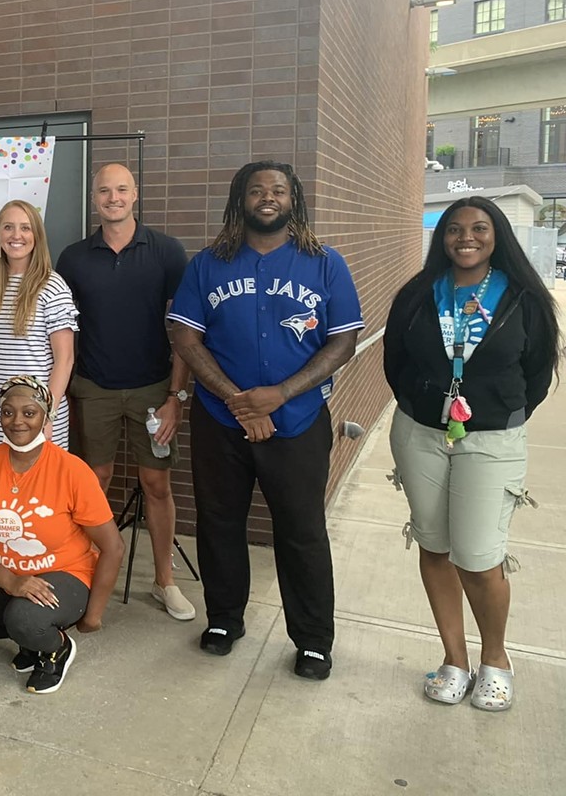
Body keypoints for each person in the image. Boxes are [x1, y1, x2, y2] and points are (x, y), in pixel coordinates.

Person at [168, 161, 362, 681]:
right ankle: (225, 620)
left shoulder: (325, 264)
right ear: (240, 200)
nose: (268, 197)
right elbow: (185, 337)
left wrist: (279, 394)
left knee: (301, 531)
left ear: (293, 199)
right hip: (220, 420)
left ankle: (314, 640)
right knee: (220, 523)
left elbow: (342, 340)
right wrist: (238, 400)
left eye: (278, 190)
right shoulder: (209, 264)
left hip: (298, 420)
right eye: (257, 190)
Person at [384, 196, 557, 711]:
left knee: (479, 558)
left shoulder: (523, 297)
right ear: (442, 238)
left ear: (496, 235)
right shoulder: (418, 294)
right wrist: (422, 404)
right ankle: (454, 659)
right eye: (454, 229)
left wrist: (490, 411)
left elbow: (538, 372)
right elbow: (395, 360)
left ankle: (496, 660)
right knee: (435, 546)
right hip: (420, 434)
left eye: (479, 228)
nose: (466, 237)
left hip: (491, 439)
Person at [57, 163, 196, 622]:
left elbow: (184, 329)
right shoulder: (74, 258)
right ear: (93, 198)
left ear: (135, 194)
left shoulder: (167, 252)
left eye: (121, 189)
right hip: (93, 388)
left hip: (153, 390)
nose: (112, 197)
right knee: (93, 483)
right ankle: (83, 573)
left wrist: (176, 395)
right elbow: (64, 330)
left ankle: (164, 581)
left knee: (156, 484)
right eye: (103, 191)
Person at [0, 376, 124, 694]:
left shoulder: (72, 471)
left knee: (26, 619)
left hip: (66, 572)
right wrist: (10, 581)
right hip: (6, 571)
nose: (17, 421)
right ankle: (28, 640)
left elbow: (113, 547)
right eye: (8, 412)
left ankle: (55, 648)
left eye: (29, 412)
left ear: (46, 416)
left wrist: (94, 615)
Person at [0, 200, 77, 449]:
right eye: (8, 227)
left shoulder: (53, 286)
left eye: (25, 228)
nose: (16, 235)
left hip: (38, 411)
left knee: (40, 486)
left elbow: (65, 360)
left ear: (36, 236)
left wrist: (47, 414)